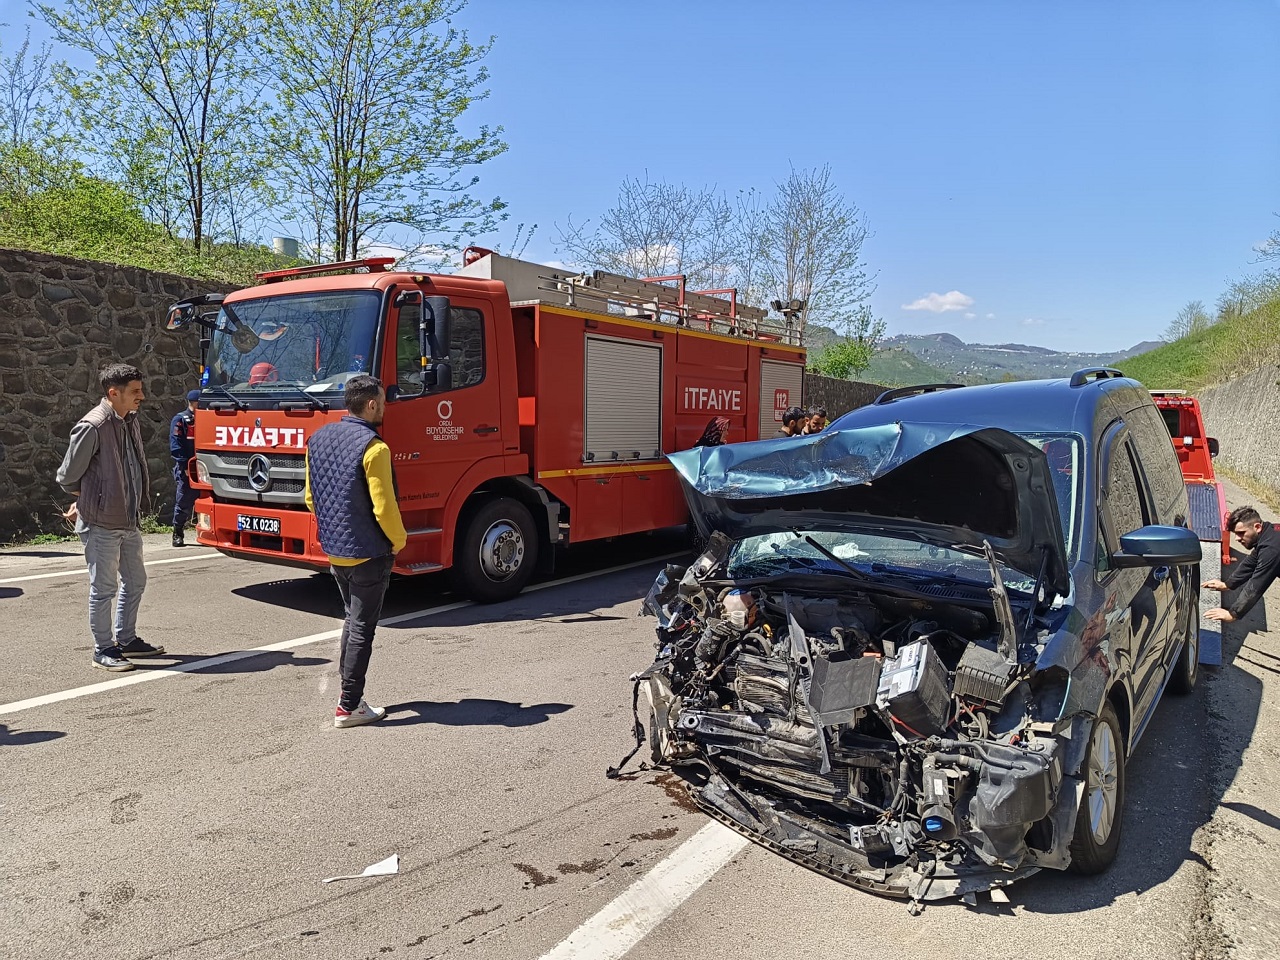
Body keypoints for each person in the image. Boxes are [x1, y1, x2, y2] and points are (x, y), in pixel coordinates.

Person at [304, 375, 408, 728]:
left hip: (336, 551)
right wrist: (398, 540)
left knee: (352, 619)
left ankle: (348, 698)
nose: (385, 407)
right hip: (369, 553)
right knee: (363, 626)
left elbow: (309, 497)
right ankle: (349, 706)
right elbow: (384, 506)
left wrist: (333, 531)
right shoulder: (375, 448)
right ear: (372, 404)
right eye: (383, 401)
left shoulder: (317, 439)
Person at [56, 363, 166, 671]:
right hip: (101, 521)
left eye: (140, 390)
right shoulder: (93, 426)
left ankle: (127, 639)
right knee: (103, 589)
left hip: (127, 519)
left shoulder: (127, 419)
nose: (141, 396)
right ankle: (102, 649)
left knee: (136, 581)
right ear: (113, 393)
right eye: (135, 391)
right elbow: (67, 476)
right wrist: (87, 498)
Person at [1204, 506, 1280, 623]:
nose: (1237, 539)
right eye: (1235, 533)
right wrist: (1228, 584)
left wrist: (1233, 614)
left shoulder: (1272, 548)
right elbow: (1251, 563)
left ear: (1257, 527)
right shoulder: (1269, 535)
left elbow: (1257, 584)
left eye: (1241, 533)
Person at [170, 389, 199, 547]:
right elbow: (176, 446)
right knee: (184, 501)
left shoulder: (205, 418)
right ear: (193, 402)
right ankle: (177, 533)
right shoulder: (181, 420)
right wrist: (184, 465)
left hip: (205, 466)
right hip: (188, 467)